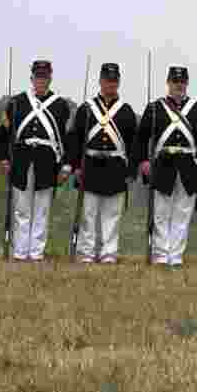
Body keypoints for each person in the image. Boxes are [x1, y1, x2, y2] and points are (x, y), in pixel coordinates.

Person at [136, 66, 197, 267]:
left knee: (183, 213)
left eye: (182, 82)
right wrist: (144, 161)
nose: (178, 85)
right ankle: (161, 255)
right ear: (168, 83)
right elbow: (141, 138)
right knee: (161, 212)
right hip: (163, 164)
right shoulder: (154, 108)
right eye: (175, 82)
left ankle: (176, 255)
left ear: (186, 84)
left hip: (188, 166)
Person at [0, 60, 71, 262]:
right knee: (22, 207)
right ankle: (20, 251)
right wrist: (4, 158)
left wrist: (65, 165)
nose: (41, 80)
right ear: (32, 78)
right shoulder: (16, 102)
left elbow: (65, 138)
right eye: (38, 76)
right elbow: (3, 133)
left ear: (50, 78)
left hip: (47, 160)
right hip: (21, 158)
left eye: (45, 77)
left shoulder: (60, 105)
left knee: (42, 208)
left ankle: (36, 252)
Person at [66, 63, 138, 264]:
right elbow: (74, 139)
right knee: (89, 213)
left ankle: (109, 252)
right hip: (90, 165)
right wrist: (75, 166)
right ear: (100, 81)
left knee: (112, 214)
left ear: (119, 83)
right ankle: (87, 252)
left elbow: (134, 144)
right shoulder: (87, 109)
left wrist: (131, 170)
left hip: (116, 167)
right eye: (107, 80)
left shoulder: (126, 111)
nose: (110, 84)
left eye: (114, 81)